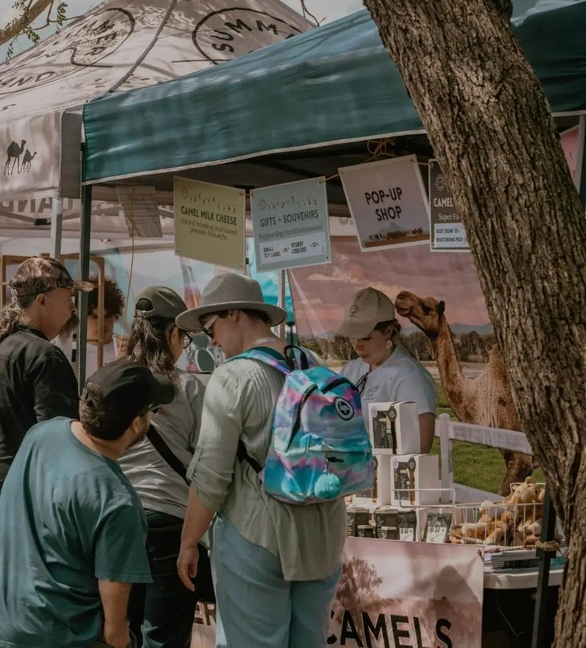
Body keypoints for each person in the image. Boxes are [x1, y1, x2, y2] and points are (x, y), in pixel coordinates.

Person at [175, 273, 345, 648]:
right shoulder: (313, 364)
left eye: (210, 326)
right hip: (323, 534)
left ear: (234, 313)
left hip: (258, 534)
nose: (212, 340)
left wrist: (189, 541)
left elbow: (211, 477)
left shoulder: (232, 377)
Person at [0, 359, 175, 648]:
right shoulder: (117, 500)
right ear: (136, 423)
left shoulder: (41, 435)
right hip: (61, 636)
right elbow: (114, 598)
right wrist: (119, 639)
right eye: (151, 411)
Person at [0, 256, 92, 544]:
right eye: (68, 297)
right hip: (30, 513)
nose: (73, 306)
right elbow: (61, 445)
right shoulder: (43, 355)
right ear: (42, 302)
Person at [121, 286, 207, 648]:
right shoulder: (186, 387)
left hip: (118, 518)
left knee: (123, 629)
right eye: (184, 337)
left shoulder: (111, 383)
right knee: (163, 634)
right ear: (173, 333)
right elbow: (208, 460)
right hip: (172, 522)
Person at [337, 287, 437, 453]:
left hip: (385, 475)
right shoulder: (349, 370)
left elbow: (419, 448)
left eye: (366, 338)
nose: (357, 345)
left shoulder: (410, 377)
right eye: (352, 337)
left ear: (388, 332)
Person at [80, 274, 126, 372]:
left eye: (107, 316)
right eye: (95, 317)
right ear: (82, 318)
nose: (102, 323)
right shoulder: (72, 350)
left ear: (116, 317)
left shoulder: (124, 349)